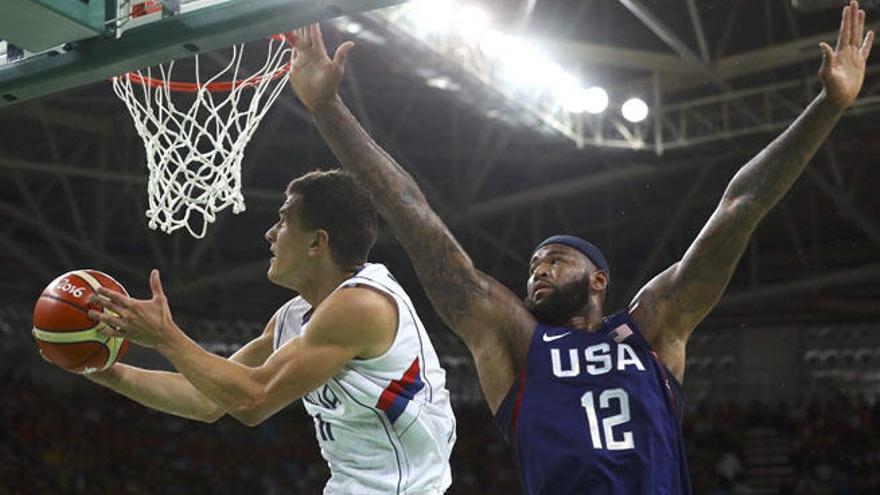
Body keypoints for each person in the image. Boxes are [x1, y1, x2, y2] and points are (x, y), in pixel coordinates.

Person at [283, 1, 873, 493]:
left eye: (556, 259)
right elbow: (417, 220)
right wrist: (329, 109)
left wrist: (827, 107)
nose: (537, 270)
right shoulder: (515, 342)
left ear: (598, 279)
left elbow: (738, 210)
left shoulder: (654, 327)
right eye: (534, 262)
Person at [85, 170, 457, 495]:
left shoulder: (362, 305)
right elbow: (208, 400)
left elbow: (252, 401)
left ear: (317, 243)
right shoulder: (293, 316)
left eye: (282, 222)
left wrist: (166, 336)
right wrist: (102, 368)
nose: (269, 234)